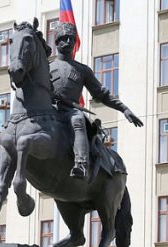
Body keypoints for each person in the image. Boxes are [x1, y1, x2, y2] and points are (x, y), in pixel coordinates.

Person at [49, 22, 143, 180]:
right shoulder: (47, 67)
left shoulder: (82, 70)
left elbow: (102, 94)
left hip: (69, 111)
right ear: (57, 42)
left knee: (78, 119)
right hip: (50, 110)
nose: (68, 42)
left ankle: (81, 164)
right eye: (64, 38)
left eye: (71, 39)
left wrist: (124, 109)